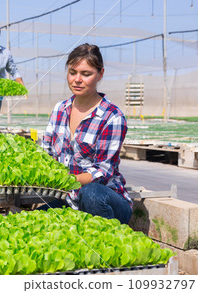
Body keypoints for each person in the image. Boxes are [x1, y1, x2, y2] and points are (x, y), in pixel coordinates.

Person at [40, 43, 133, 225]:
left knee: (91, 193)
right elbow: (46, 154)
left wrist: (65, 180)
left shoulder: (112, 117)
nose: (77, 79)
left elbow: (103, 170)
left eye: (86, 74)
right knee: (35, 221)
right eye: (72, 72)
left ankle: (109, 238)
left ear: (100, 74)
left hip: (107, 202)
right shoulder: (60, 109)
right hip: (69, 200)